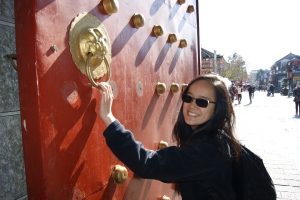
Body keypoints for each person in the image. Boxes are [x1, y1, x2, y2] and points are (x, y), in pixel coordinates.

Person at [98, 74, 241, 199]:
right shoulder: (214, 139)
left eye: (202, 102)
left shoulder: (209, 151)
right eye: (188, 97)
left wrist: (109, 118)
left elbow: (148, 164)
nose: (192, 106)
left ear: (218, 109)